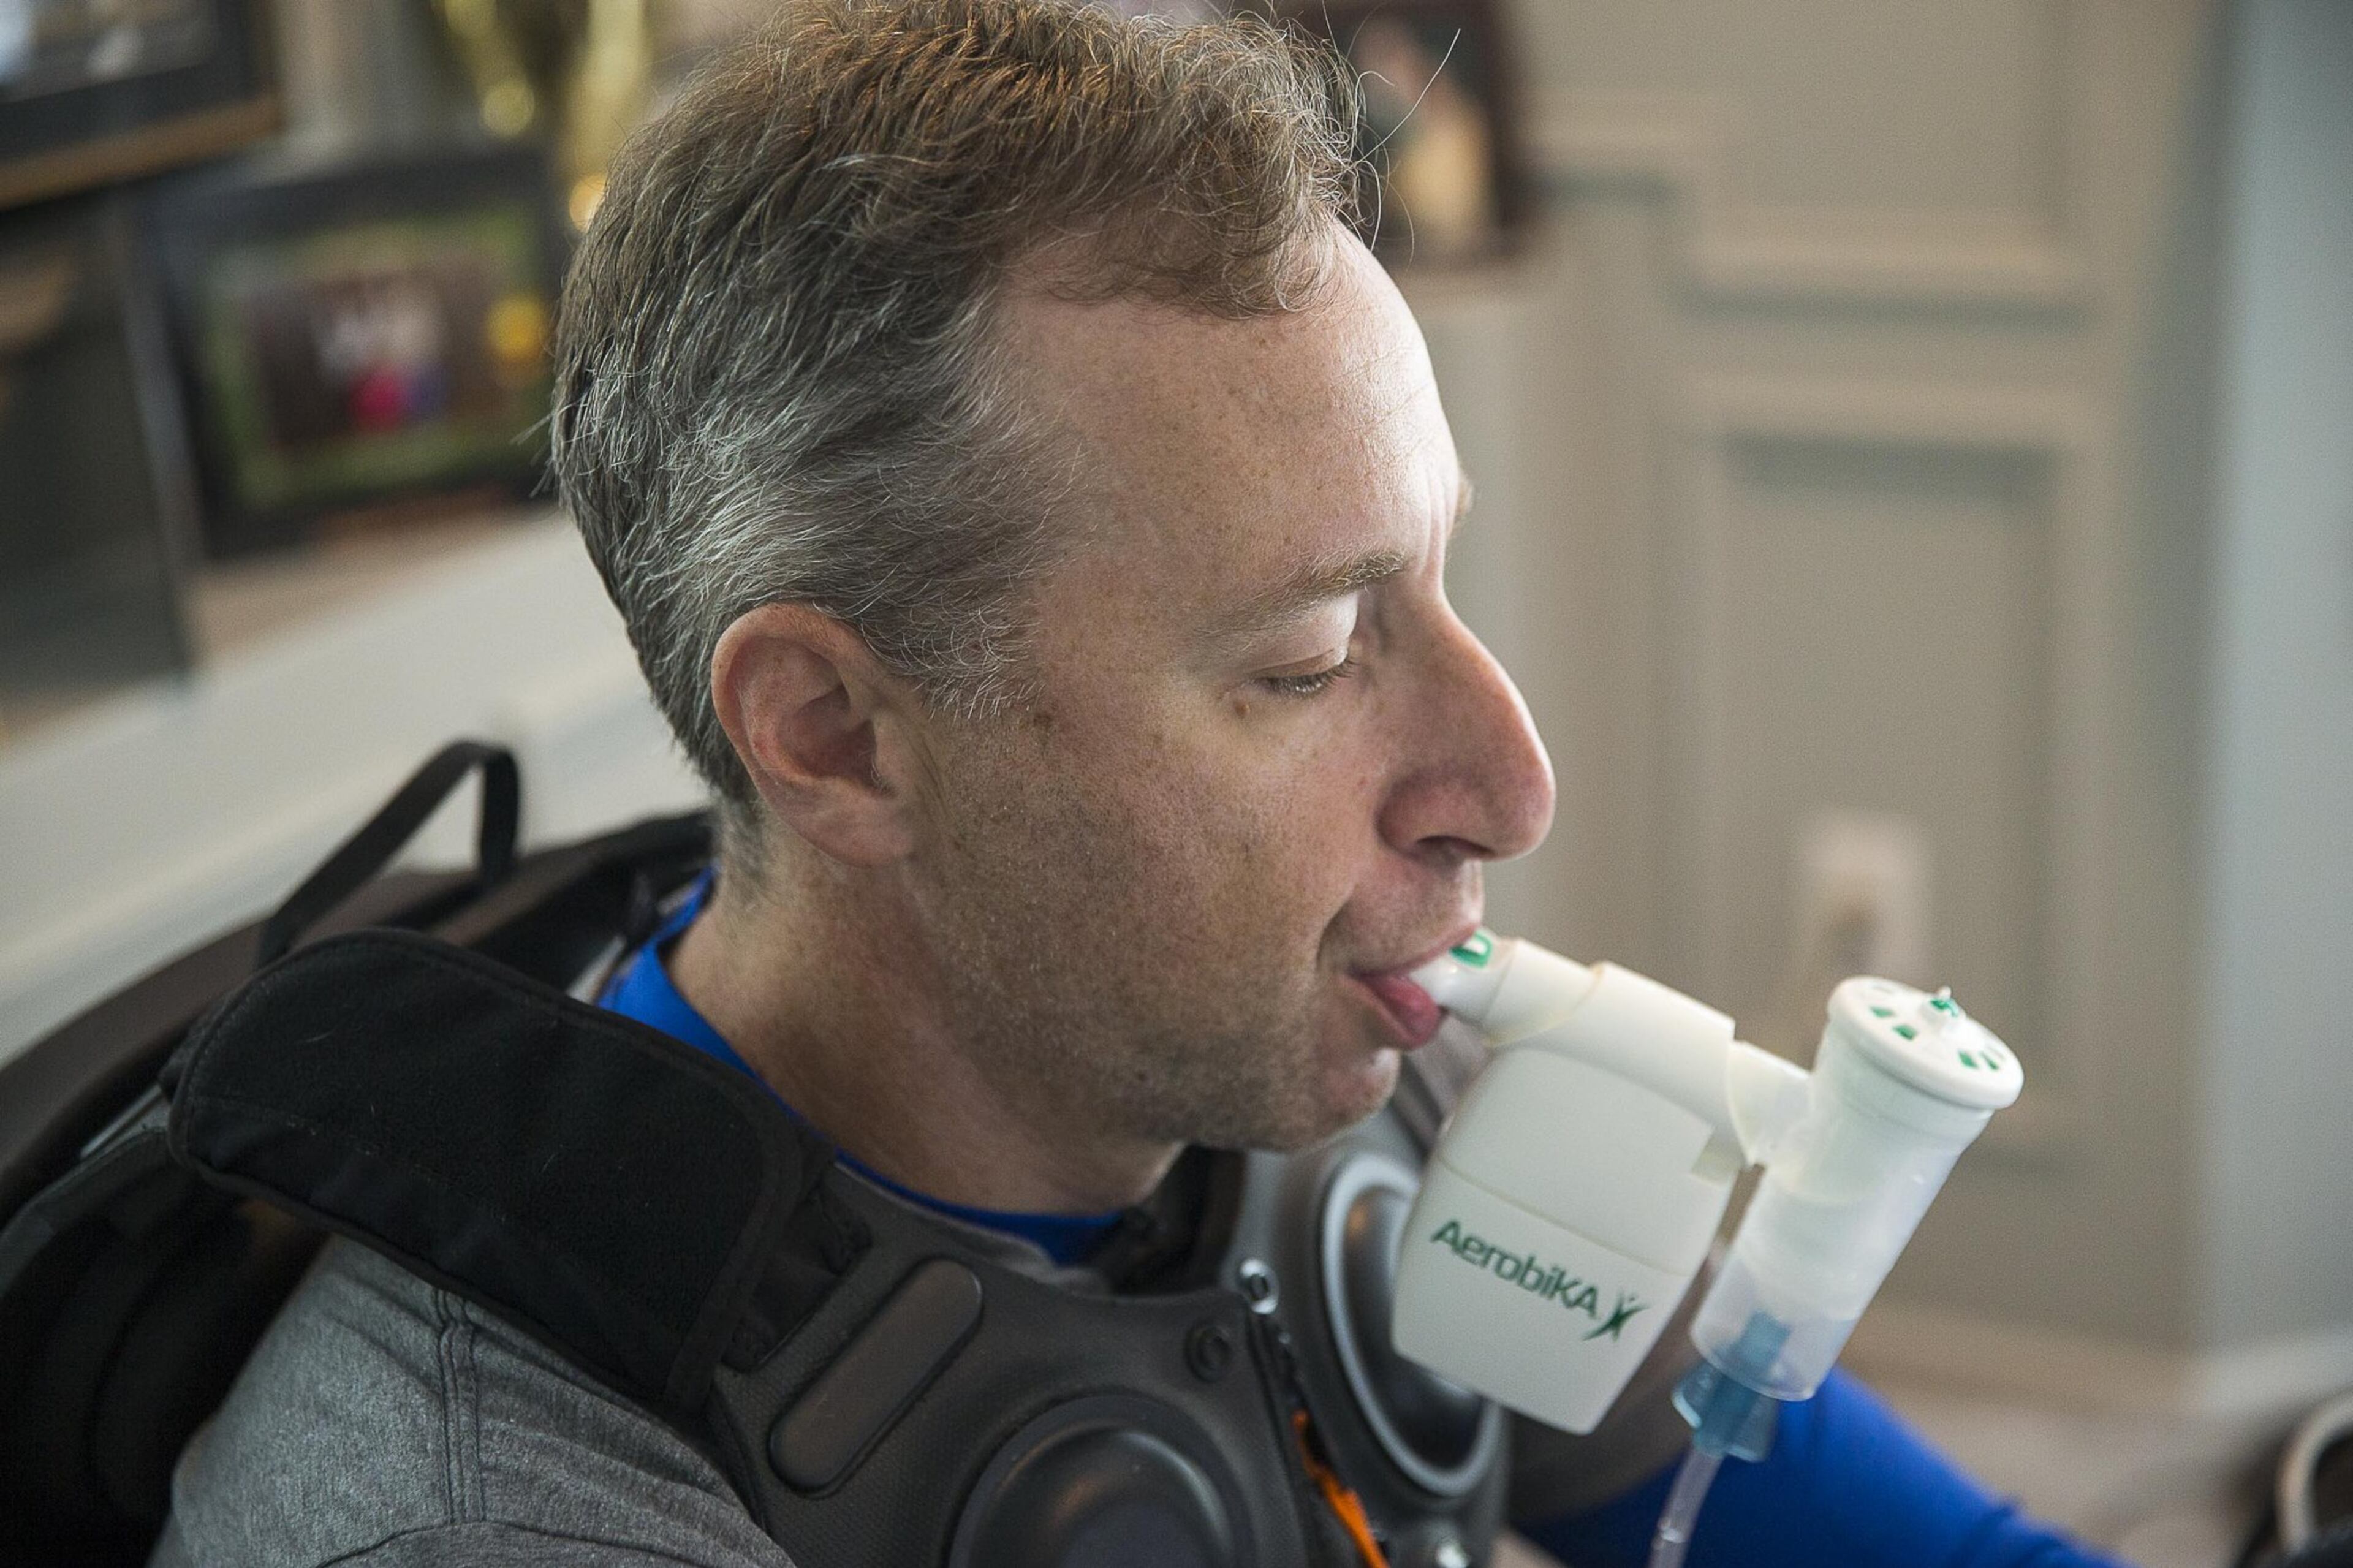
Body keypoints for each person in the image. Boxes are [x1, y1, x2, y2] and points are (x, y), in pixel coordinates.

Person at [150, 2, 2126, 1564]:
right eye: (1305, 657)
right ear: (838, 737)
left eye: (1438, 577)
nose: (1509, 789)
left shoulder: (1374, 1071)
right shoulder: (504, 1510)